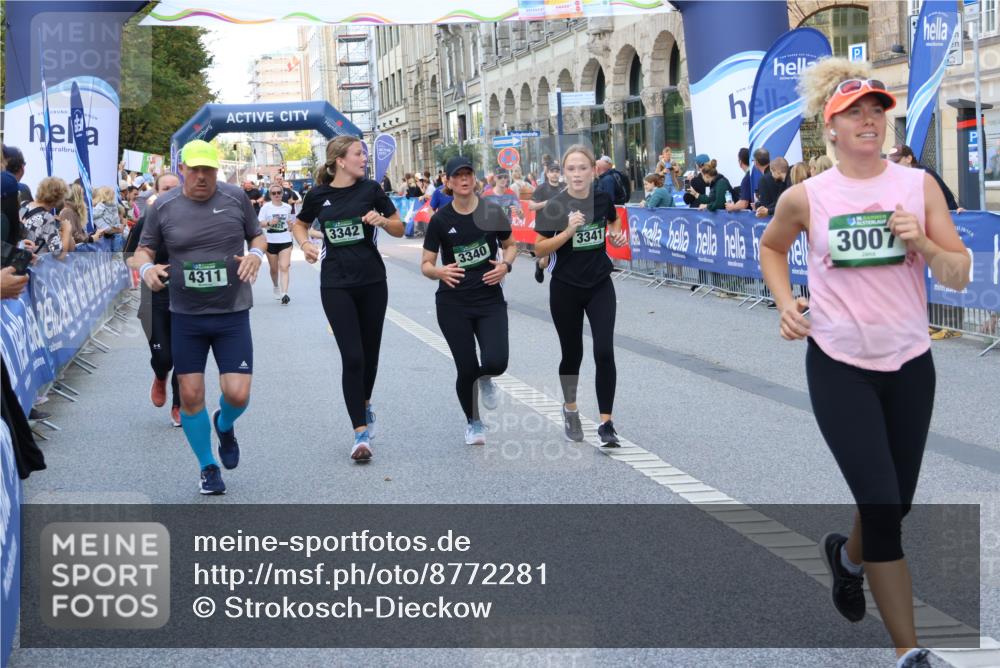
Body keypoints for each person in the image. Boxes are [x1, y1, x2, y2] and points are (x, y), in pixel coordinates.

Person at [759, 59, 970, 668]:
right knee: (882, 507)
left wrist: (925, 243)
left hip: (909, 364)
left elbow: (958, 275)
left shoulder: (917, 187)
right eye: (855, 112)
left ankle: (848, 559)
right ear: (830, 128)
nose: (870, 120)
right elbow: (772, 247)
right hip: (838, 363)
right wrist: (783, 302)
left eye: (877, 110)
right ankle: (909, 651)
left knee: (894, 503)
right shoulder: (807, 197)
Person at [135, 140, 266, 495]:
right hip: (186, 316)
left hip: (232, 312)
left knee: (237, 395)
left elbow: (257, 235)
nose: (203, 177)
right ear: (183, 170)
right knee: (191, 395)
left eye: (209, 169)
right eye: (196, 170)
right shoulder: (163, 206)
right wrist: (146, 268)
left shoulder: (236, 197)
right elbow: (142, 250)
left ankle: (224, 424)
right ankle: (208, 466)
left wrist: (255, 253)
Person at [291, 136, 404, 462]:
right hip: (336, 284)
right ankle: (359, 434)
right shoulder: (318, 196)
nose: (364, 159)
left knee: (370, 355)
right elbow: (299, 225)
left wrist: (382, 220)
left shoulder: (372, 190)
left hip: (372, 282)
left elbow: (399, 226)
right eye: (359, 154)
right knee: (352, 357)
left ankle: (365, 403)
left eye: (365, 154)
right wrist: (305, 245)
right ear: (340, 160)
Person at [533, 144, 628, 447]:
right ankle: (570, 408)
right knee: (572, 354)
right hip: (565, 288)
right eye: (571, 169)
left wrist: (615, 233)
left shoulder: (602, 198)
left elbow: (612, 220)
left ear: (592, 170)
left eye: (582, 168)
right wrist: (566, 233)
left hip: (600, 283)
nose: (576, 174)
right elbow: (539, 248)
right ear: (564, 173)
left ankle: (606, 424)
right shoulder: (555, 206)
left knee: (604, 351)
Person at [421, 156, 516, 444]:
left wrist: (505, 266)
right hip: (453, 303)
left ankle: (487, 376)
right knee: (466, 367)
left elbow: (510, 245)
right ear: (448, 182)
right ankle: (473, 422)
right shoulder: (440, 219)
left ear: (475, 179)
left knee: (497, 361)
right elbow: (425, 264)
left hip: (489, 300)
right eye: (457, 176)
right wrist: (438, 271)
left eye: (468, 174)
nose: (464, 180)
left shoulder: (492, 211)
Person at [125, 173, 183, 427]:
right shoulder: (146, 220)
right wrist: (148, 267)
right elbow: (127, 257)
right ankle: (160, 375)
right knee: (164, 358)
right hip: (155, 298)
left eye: (175, 188)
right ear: (156, 192)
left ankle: (179, 405)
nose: (170, 192)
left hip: (188, 299)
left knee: (184, 357)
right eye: (165, 188)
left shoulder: (194, 219)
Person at [886, 144, 962, 213]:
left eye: (896, 162)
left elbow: (944, 200)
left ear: (908, 159)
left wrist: (955, 212)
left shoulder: (925, 176)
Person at [528, 163, 565, 284]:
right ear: (547, 173)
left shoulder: (564, 187)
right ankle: (539, 264)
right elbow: (531, 206)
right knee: (547, 260)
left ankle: (562, 281)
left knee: (562, 257)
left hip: (562, 226)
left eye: (557, 171)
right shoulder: (541, 188)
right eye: (552, 171)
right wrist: (547, 203)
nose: (555, 173)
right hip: (545, 226)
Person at [21, 177, 74, 258]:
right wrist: (67, 230)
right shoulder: (46, 218)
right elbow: (59, 254)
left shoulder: (23, 205)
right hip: (34, 265)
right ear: (58, 199)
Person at [259, 184, 294, 304]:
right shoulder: (266, 207)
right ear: (270, 195)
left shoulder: (287, 207)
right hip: (270, 240)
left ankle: (285, 293)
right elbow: (259, 223)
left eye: (279, 192)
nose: (277, 195)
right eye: (274, 193)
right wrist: (269, 222)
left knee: (284, 267)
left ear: (282, 193)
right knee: (274, 269)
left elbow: (290, 225)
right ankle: (275, 286)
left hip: (285, 239)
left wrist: (290, 226)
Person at [727, 148, 754, 212]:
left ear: (740, 162)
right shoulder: (754, 175)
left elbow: (744, 203)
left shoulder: (747, 179)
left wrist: (732, 207)